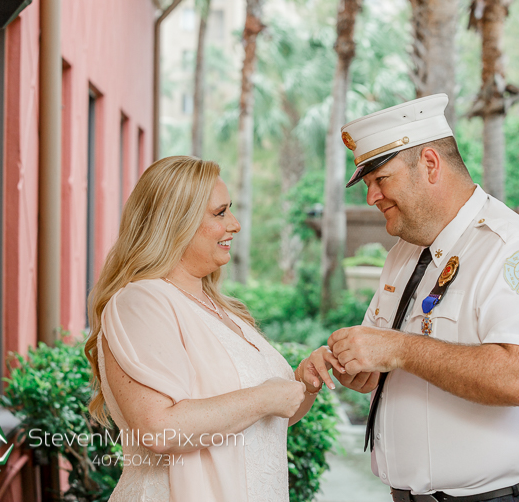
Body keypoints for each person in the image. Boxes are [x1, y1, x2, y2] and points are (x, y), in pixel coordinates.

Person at [314, 94, 519, 501]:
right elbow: (384, 362)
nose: (372, 197)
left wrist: (400, 350)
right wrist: (358, 367)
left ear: (430, 165)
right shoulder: (403, 253)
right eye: (368, 185)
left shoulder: (513, 249)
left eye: (381, 180)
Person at [84, 156, 339, 502]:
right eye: (220, 213)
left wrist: (303, 384)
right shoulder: (141, 301)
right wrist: (267, 395)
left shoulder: (221, 308)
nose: (234, 224)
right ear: (175, 222)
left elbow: (260, 423)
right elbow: (159, 430)